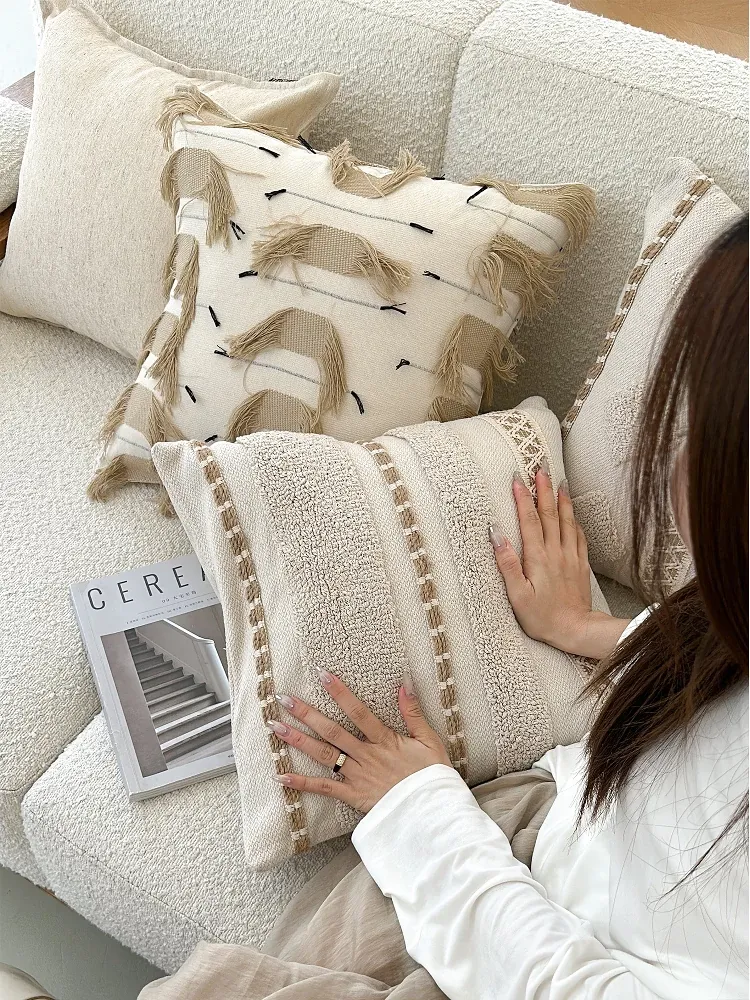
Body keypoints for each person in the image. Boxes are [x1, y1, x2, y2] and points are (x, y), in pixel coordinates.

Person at [142, 217, 748, 1000]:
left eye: (714, 437)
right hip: (552, 833)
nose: (677, 466)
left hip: (522, 939)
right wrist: (605, 634)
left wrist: (423, 815)